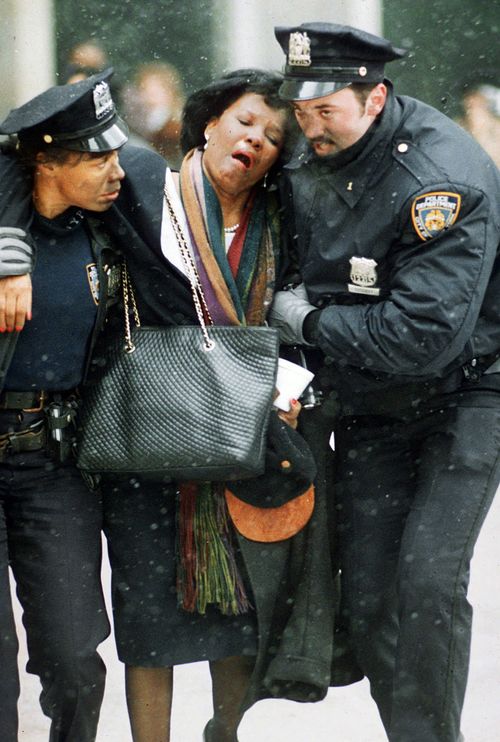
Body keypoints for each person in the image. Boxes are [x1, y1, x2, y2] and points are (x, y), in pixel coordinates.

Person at [0, 69, 336, 742]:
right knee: (100, 636)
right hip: (130, 439)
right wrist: (9, 255)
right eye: (245, 121)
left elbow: (313, 298)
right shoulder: (137, 188)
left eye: (274, 135)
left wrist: (293, 385)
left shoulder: (271, 214)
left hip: (171, 445)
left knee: (120, 647)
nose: (257, 139)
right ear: (209, 122)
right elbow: (17, 163)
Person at [269, 22, 500, 742]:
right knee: (368, 601)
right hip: (372, 401)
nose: (309, 129)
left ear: (375, 99)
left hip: (465, 394)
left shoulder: (441, 178)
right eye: (299, 112)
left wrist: (305, 325)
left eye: (325, 110)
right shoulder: (312, 151)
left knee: (427, 586)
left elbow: (419, 337)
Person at [0, 71, 128, 741]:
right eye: (97, 157)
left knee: (77, 658)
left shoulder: (105, 228)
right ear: (47, 161)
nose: (116, 169)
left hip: (53, 461)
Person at [121, 61, 185, 166]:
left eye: (156, 90)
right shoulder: (137, 124)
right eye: (144, 89)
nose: (149, 96)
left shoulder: (175, 127)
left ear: (170, 91)